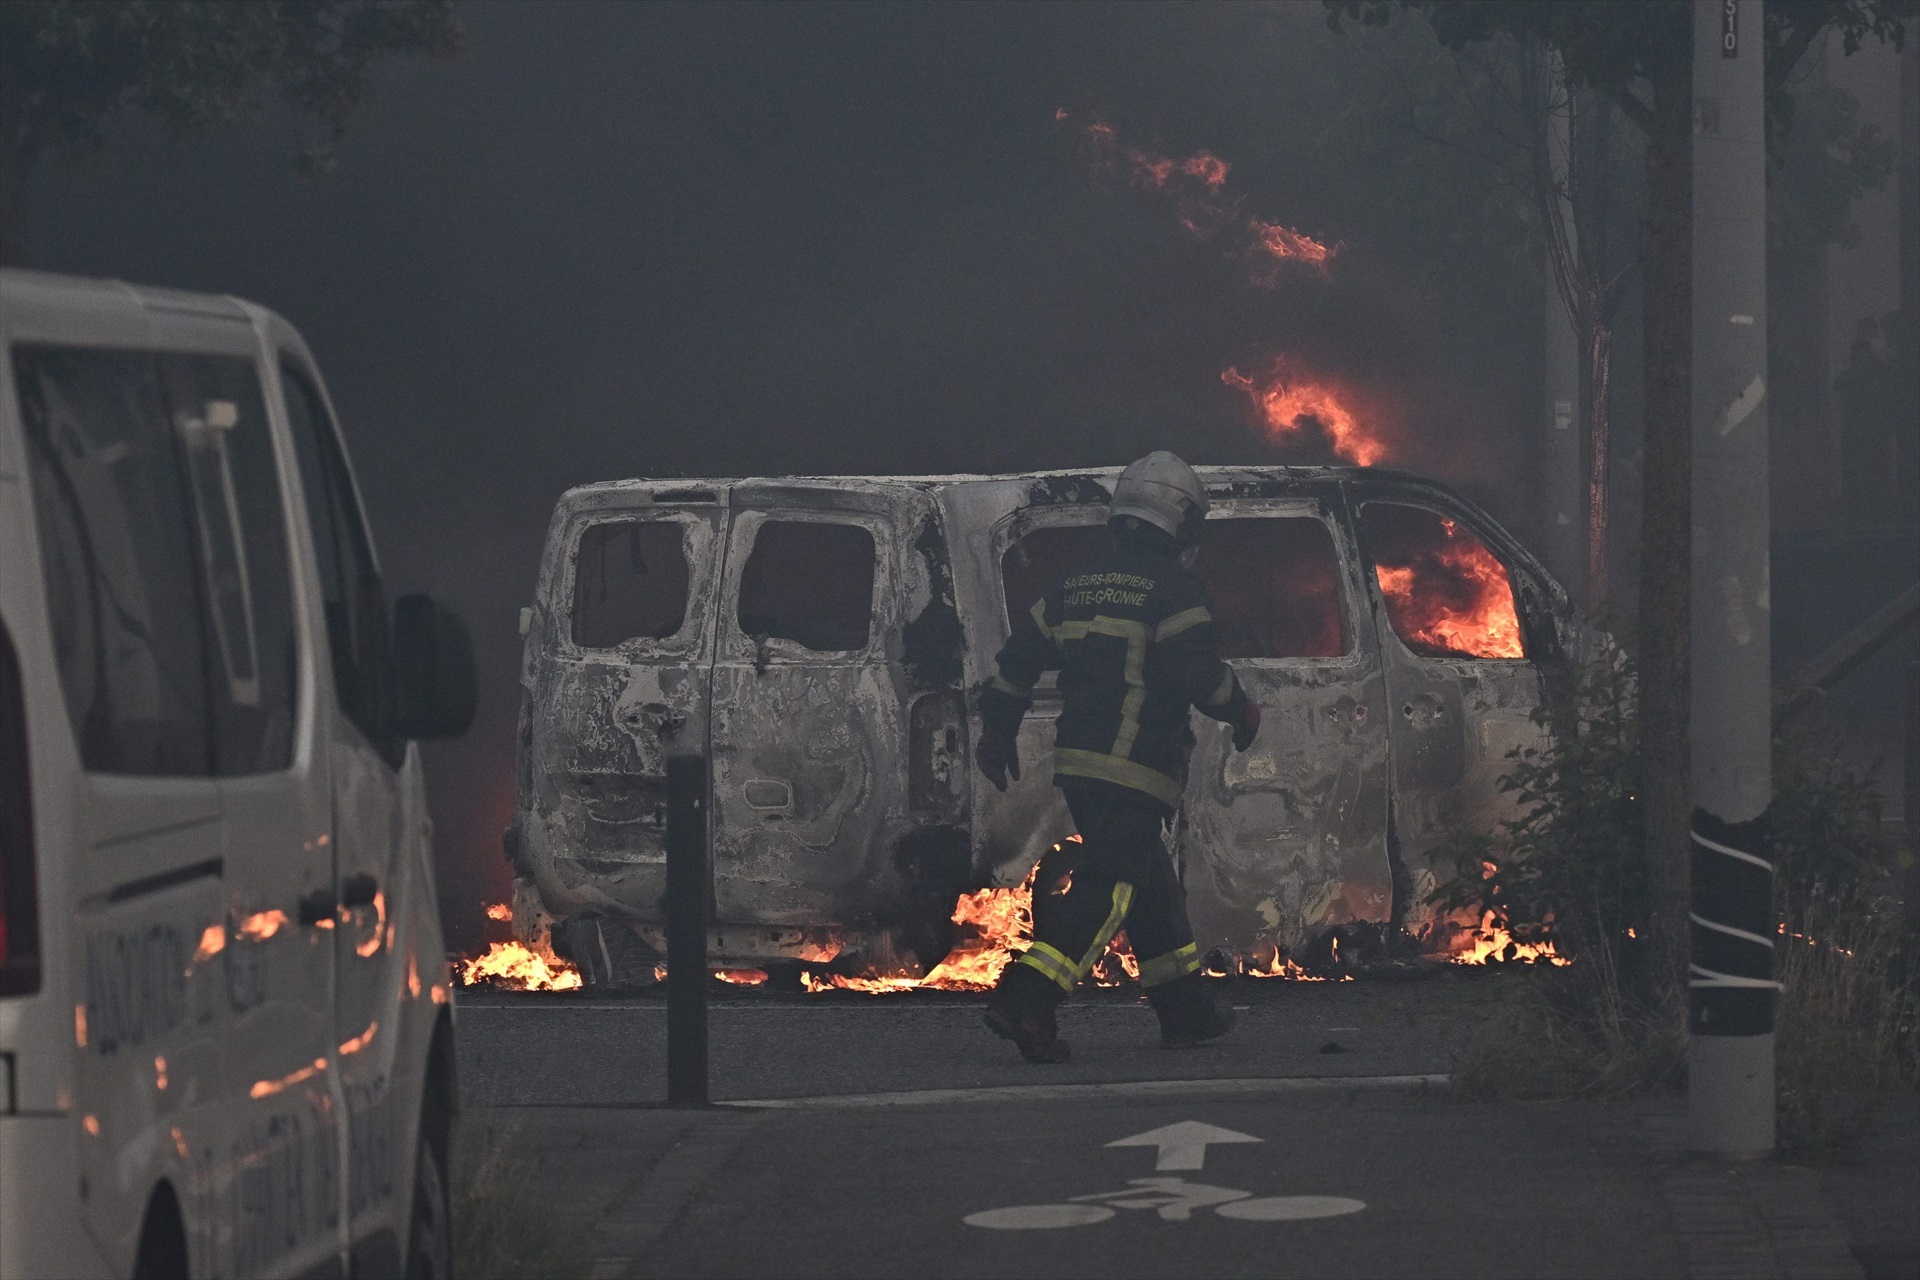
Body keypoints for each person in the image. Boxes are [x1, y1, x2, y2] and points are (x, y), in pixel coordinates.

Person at [976, 451, 1260, 1063]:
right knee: (1114, 882)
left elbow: (1015, 665)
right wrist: (1242, 711)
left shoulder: (1073, 586)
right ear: (1180, 520)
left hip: (1081, 764)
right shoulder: (1173, 590)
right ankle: (1029, 997)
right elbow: (1198, 674)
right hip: (1137, 765)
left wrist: (996, 735)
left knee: (1148, 881)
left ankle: (1185, 1012)